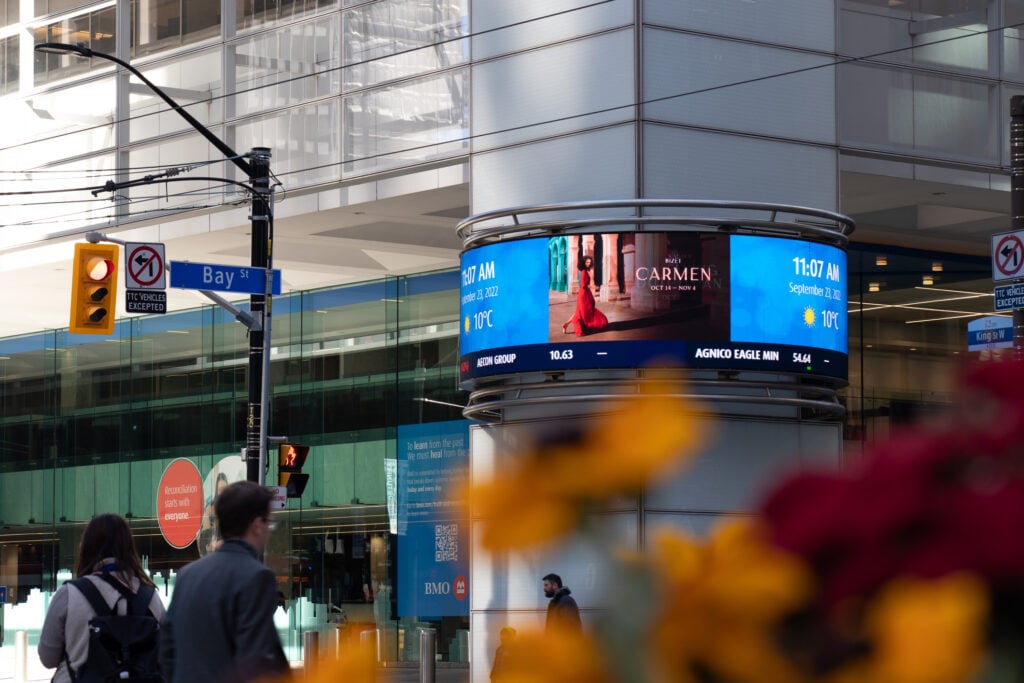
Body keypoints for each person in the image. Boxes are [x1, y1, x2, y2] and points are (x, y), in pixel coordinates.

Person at [159, 481, 288, 683]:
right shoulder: (256, 576)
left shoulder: (187, 575)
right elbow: (255, 660)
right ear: (256, 526)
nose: (269, 530)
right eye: (268, 522)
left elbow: (167, 647)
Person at [38, 513, 166, 683]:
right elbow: (167, 654)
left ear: (87, 548)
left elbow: (48, 658)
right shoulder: (150, 597)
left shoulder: (69, 594)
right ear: (129, 548)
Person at [562, 256, 608, 336]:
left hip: (584, 293)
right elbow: (583, 285)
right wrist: (594, 287)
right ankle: (567, 324)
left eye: (589, 262)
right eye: (587, 262)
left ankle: (566, 324)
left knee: (580, 312)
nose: (588, 264)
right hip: (584, 295)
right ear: (583, 263)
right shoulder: (583, 272)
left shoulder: (585, 271)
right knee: (583, 313)